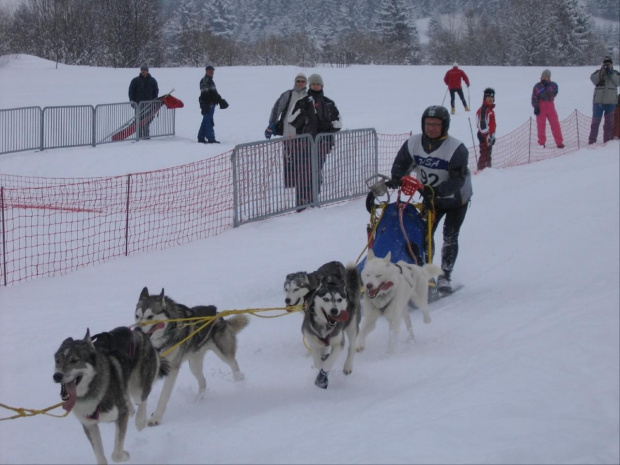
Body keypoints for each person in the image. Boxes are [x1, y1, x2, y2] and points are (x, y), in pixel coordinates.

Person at [389, 105, 472, 294]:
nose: (431, 128)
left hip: (456, 200)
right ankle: (428, 274)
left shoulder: (456, 149)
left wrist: (435, 191)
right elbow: (401, 164)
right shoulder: (414, 143)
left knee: (450, 235)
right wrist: (396, 178)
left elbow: (457, 180)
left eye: (436, 124)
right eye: (428, 124)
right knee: (425, 236)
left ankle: (445, 275)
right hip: (431, 199)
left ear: (444, 126)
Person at [288, 73, 342, 211]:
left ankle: (314, 200)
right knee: (304, 173)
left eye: (318, 84)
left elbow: (339, 122)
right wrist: (303, 111)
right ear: (309, 85)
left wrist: (328, 126)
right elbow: (291, 120)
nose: (316, 86)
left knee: (316, 171)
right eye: (313, 84)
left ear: (322, 86)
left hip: (322, 144)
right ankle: (302, 203)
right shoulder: (302, 101)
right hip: (304, 144)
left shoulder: (329, 102)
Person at [588, 56, 620, 144]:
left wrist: (611, 73)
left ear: (612, 65)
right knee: (595, 123)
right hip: (598, 102)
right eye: (605, 64)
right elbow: (593, 79)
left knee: (609, 124)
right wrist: (602, 71)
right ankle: (592, 140)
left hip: (611, 102)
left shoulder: (616, 73)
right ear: (602, 64)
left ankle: (607, 141)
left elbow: (618, 82)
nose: (606, 66)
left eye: (608, 64)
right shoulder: (598, 72)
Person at [531, 69, 564, 149]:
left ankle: (559, 142)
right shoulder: (537, 86)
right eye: (543, 76)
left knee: (555, 124)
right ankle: (541, 142)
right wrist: (535, 107)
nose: (544, 77)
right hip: (540, 106)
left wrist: (547, 86)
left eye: (546, 76)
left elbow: (553, 93)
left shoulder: (553, 85)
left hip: (550, 105)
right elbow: (534, 97)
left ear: (549, 77)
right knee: (541, 126)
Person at [197, 65, 228, 144]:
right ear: (206, 71)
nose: (211, 72)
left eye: (212, 70)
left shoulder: (210, 80)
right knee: (209, 121)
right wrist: (209, 103)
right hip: (207, 104)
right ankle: (211, 138)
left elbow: (214, 92)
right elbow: (205, 94)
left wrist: (220, 100)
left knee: (205, 120)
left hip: (211, 104)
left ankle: (201, 137)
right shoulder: (205, 81)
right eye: (210, 70)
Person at [128, 65, 159, 138]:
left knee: (147, 120)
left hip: (149, 104)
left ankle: (146, 135)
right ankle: (139, 136)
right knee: (138, 120)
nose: (143, 71)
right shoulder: (135, 80)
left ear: (147, 71)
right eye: (142, 70)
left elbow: (155, 91)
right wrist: (132, 101)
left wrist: (154, 101)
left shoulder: (152, 80)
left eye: (145, 70)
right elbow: (131, 91)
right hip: (138, 104)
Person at [476, 88, 496, 171]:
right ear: (485, 98)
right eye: (488, 97)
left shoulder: (489, 109)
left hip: (489, 135)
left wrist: (492, 135)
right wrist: (488, 136)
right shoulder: (484, 110)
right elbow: (482, 126)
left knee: (488, 153)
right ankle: (481, 169)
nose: (490, 99)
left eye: (492, 97)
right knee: (484, 153)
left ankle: (488, 169)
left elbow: (492, 124)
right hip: (484, 135)